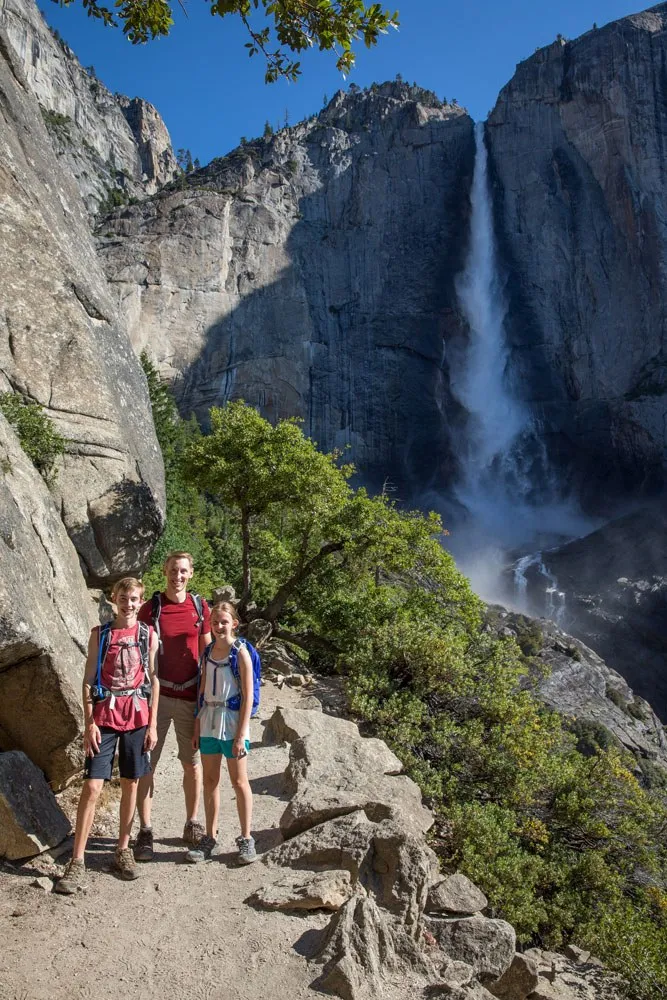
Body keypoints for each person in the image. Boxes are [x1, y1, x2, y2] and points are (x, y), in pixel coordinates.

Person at [55, 578, 159, 894]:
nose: (129, 604)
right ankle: (77, 861)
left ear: (141, 602)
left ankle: (123, 850)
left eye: (135, 599)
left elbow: (154, 680)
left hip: (138, 717)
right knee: (93, 786)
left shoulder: (147, 635)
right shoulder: (100, 635)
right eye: (124, 598)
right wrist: (89, 724)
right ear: (114, 599)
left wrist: (153, 725)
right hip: (104, 717)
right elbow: (88, 681)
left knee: (130, 782)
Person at [134, 551, 211, 860]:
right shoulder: (150, 609)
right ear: (164, 571)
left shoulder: (199, 607)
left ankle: (192, 823)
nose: (177, 576)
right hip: (157, 697)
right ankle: (146, 830)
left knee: (192, 764)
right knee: (147, 764)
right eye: (172, 570)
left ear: (190, 574)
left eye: (183, 571)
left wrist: (206, 702)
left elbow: (207, 656)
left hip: (190, 697)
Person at [185, 601, 256, 864]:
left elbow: (248, 696)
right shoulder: (208, 652)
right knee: (210, 781)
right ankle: (210, 837)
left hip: (233, 721)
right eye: (214, 623)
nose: (218, 627)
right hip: (209, 722)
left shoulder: (240, 653)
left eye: (224, 622)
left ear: (234, 623)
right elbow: (201, 692)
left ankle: (247, 838)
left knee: (239, 781)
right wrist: (196, 725)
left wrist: (241, 735)